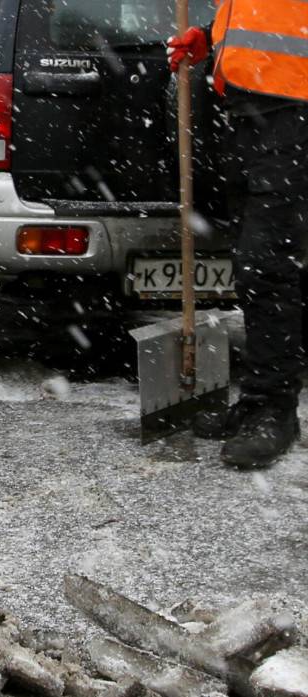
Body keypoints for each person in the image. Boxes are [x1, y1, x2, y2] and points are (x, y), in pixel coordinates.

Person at [169, 0, 308, 469]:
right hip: (247, 112)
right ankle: (258, 400)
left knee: (266, 268)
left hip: (295, 115)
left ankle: (276, 410)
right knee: (257, 267)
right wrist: (210, 35)